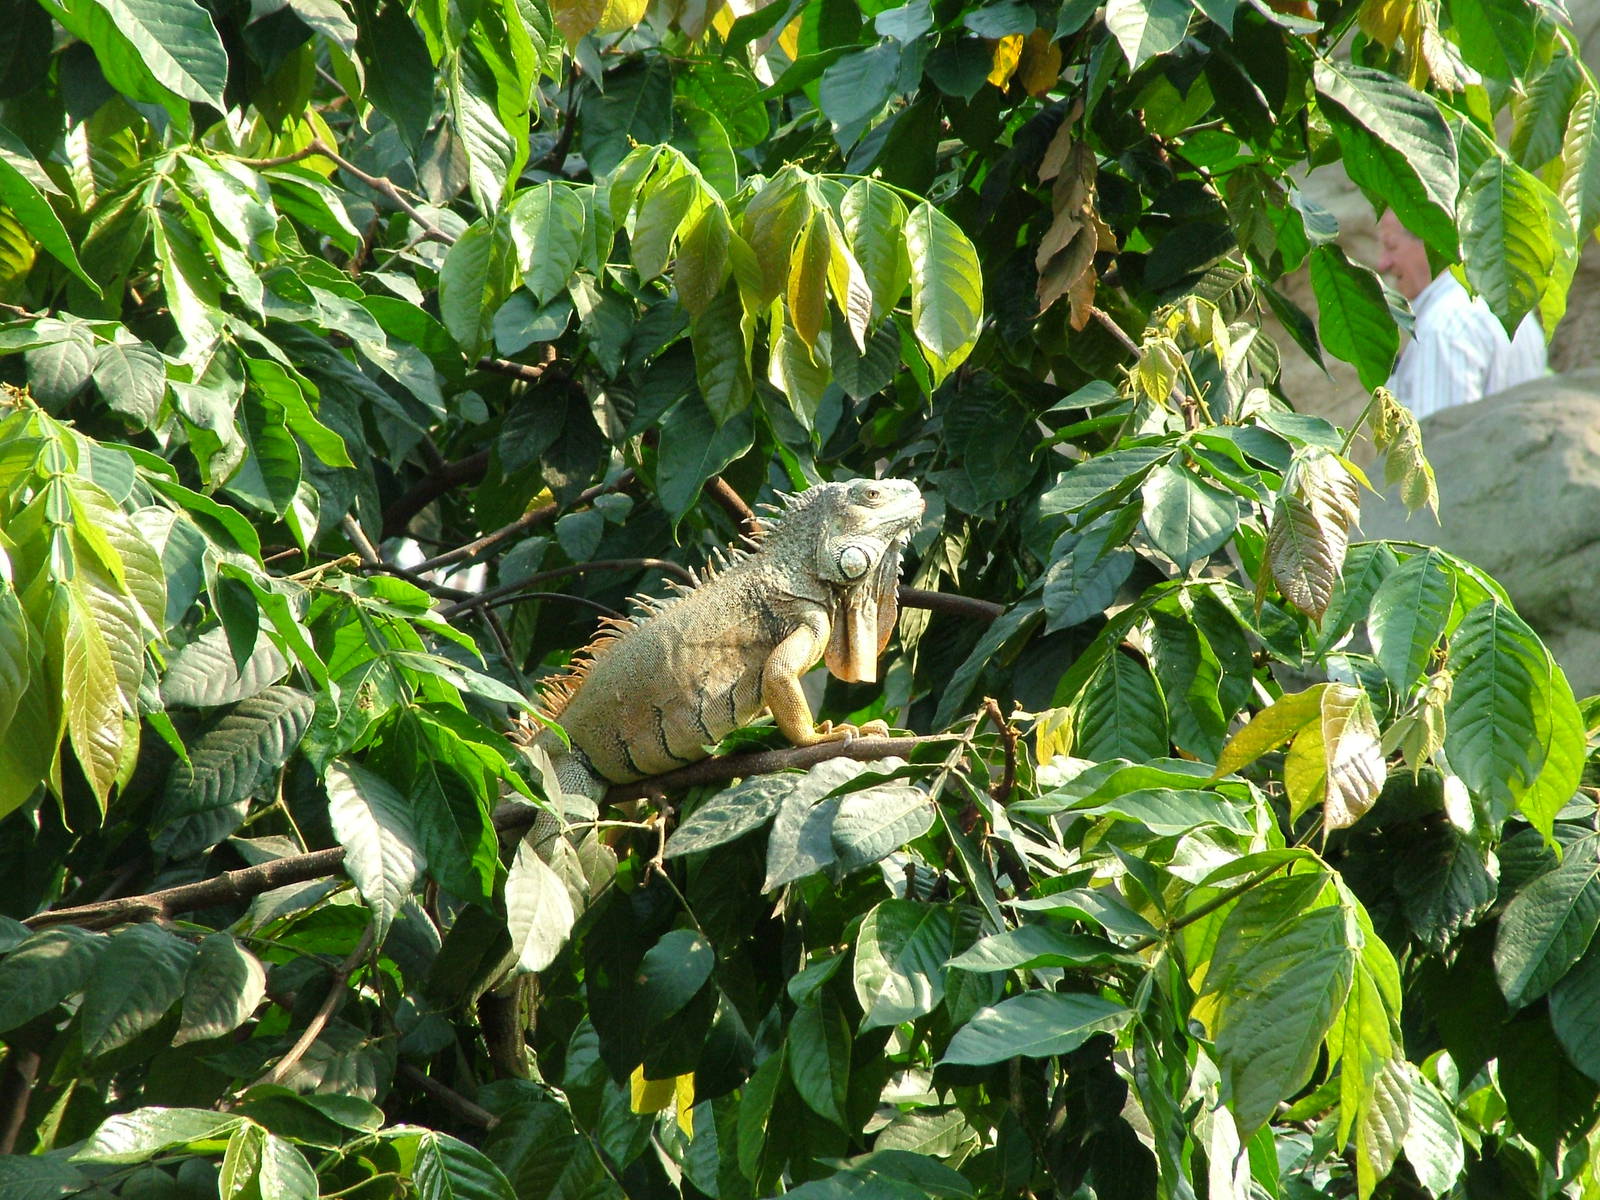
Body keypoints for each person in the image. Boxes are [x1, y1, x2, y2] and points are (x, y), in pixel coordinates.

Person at [1374, 209, 1547, 420]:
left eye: (1391, 246)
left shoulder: (1443, 328)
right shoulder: (1514, 314)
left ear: (1431, 242)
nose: (1383, 263)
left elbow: (1438, 442)